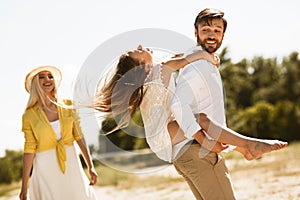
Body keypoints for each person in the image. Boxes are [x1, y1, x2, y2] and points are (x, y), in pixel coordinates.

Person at [94, 43, 286, 164]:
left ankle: (243, 149)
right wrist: (207, 56)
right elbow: (185, 60)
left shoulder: (155, 71)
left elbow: (178, 57)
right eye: (139, 51)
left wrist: (198, 55)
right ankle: (250, 144)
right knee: (201, 120)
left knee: (199, 117)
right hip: (162, 134)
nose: (141, 46)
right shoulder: (159, 69)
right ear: (144, 65)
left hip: (163, 132)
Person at [169, 8, 287, 199]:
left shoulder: (200, 60)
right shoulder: (199, 64)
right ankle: (250, 145)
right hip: (197, 149)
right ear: (196, 32)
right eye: (206, 29)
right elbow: (178, 104)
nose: (211, 35)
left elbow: (204, 113)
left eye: (217, 30)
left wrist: (235, 147)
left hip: (190, 151)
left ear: (223, 34)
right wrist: (202, 140)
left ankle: (247, 146)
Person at [19, 66, 98, 200]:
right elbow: (29, 149)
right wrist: (24, 186)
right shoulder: (29, 115)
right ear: (35, 84)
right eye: (41, 77)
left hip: (71, 162)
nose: (47, 79)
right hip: (45, 166)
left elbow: (79, 137)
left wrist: (90, 166)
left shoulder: (68, 105)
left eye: (50, 76)